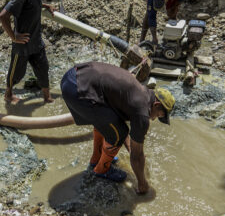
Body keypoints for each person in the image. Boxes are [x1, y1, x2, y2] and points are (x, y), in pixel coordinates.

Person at [60, 61, 175, 194]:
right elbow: (137, 157)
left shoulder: (140, 92)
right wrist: (142, 183)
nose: (154, 118)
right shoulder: (143, 112)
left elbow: (119, 125)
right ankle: (102, 170)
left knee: (108, 123)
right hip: (79, 91)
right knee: (118, 134)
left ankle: (96, 160)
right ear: (156, 104)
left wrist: (133, 149)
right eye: (159, 115)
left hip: (73, 77)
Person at [0, 0, 57, 104]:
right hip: (22, 44)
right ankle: (8, 94)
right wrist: (13, 37)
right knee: (16, 73)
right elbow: (3, 16)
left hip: (36, 41)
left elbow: (34, 4)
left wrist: (45, 6)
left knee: (43, 68)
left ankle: (47, 97)